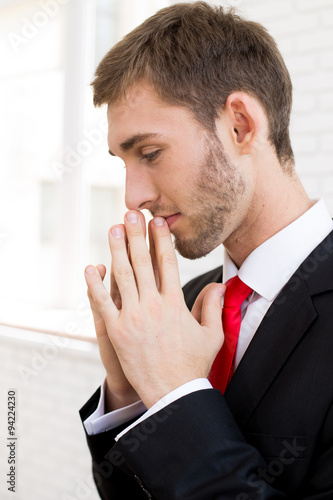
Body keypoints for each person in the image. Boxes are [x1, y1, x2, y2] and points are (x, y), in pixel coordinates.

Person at [79, 2, 333, 499]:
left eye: (150, 153)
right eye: (123, 162)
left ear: (240, 125)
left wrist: (176, 397)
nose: (134, 196)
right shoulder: (185, 303)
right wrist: (132, 394)